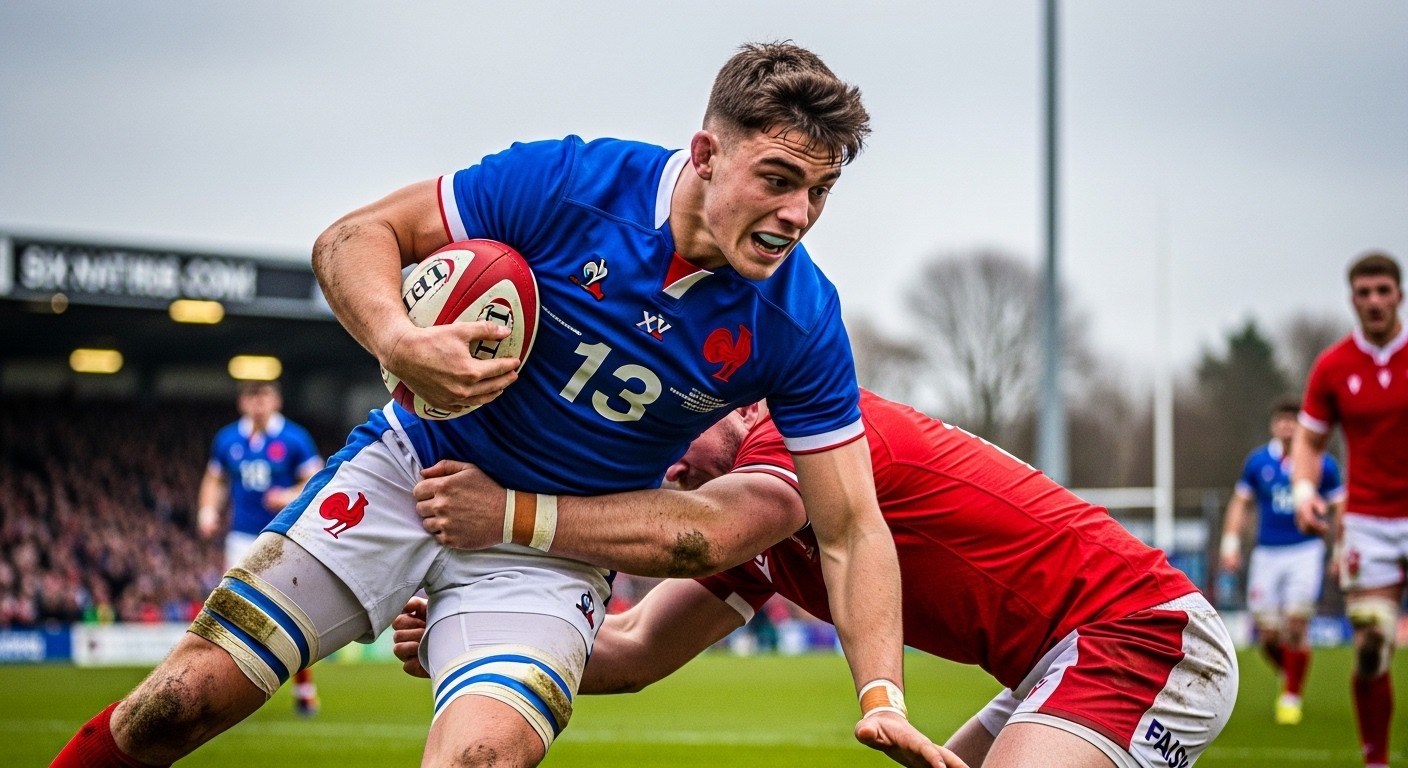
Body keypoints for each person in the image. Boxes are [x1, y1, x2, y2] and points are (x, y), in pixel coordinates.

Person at [52, 41, 938, 768]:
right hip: (408, 471)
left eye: (819, 191)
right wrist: (400, 339)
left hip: (550, 554)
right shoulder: (568, 183)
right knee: (175, 705)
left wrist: (882, 697)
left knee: (481, 763)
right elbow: (356, 237)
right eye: (779, 178)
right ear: (706, 155)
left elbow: (851, 527)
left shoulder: (799, 317)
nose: (799, 214)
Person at [401, 390, 1240, 768]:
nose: (663, 475)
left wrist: (509, 514)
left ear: (728, 404)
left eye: (665, 448)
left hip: (1141, 636)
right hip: (1055, 665)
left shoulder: (799, 446)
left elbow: (699, 534)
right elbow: (634, 645)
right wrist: (481, 649)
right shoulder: (743, 506)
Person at [1292, 250, 1408, 768]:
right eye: (1364, 293)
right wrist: (1302, 490)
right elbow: (1309, 442)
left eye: (1384, 290)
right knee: (1370, 650)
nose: (1375, 301)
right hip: (1366, 523)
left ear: (1399, 295)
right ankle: (1377, 760)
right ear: (1352, 300)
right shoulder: (1334, 366)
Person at [197, 379, 326, 716]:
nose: (258, 402)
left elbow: (317, 479)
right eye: (252, 395)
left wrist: (288, 494)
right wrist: (208, 510)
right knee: (233, 609)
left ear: (276, 400)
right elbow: (215, 478)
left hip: (282, 534)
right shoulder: (227, 439)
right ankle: (228, 687)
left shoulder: (294, 438)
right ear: (243, 402)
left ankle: (304, 688)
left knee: (290, 608)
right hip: (241, 535)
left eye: (264, 395)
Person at [1218, 397, 1344, 725]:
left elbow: (1339, 506)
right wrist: (1230, 544)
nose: (1287, 426)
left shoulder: (1323, 464)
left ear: (1302, 425)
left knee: (1296, 624)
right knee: (1268, 633)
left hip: (1305, 551)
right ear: (1274, 426)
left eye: (1293, 420)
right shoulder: (1258, 463)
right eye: (1282, 420)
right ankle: (1291, 672)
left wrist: (1341, 548)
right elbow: (1240, 503)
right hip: (1266, 553)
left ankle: (1291, 697)